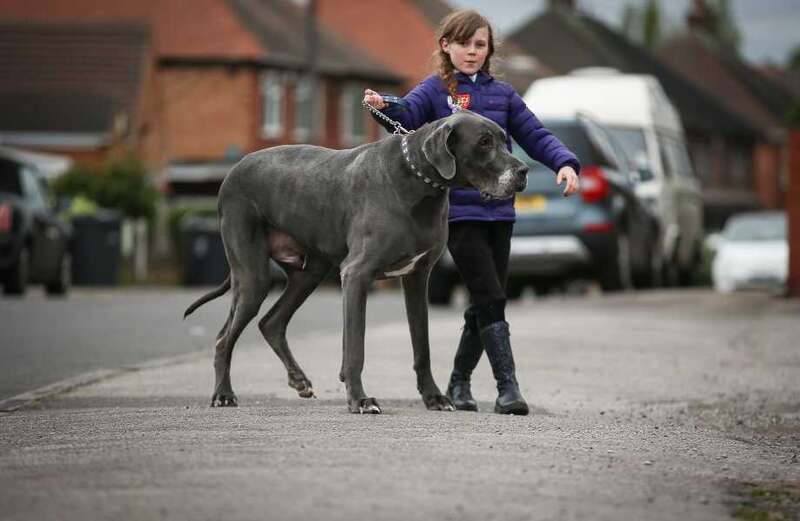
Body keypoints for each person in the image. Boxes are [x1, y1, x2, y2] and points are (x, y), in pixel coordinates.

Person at [363, 9, 580, 415]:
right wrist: (385, 105)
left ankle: (459, 383)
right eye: (464, 43)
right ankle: (508, 389)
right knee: (491, 295)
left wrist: (564, 162)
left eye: (480, 45)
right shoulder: (433, 91)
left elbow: (535, 134)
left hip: (501, 214)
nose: (472, 52)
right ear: (446, 46)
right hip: (457, 214)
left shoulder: (504, 96)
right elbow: (406, 116)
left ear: (489, 50)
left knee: (487, 299)